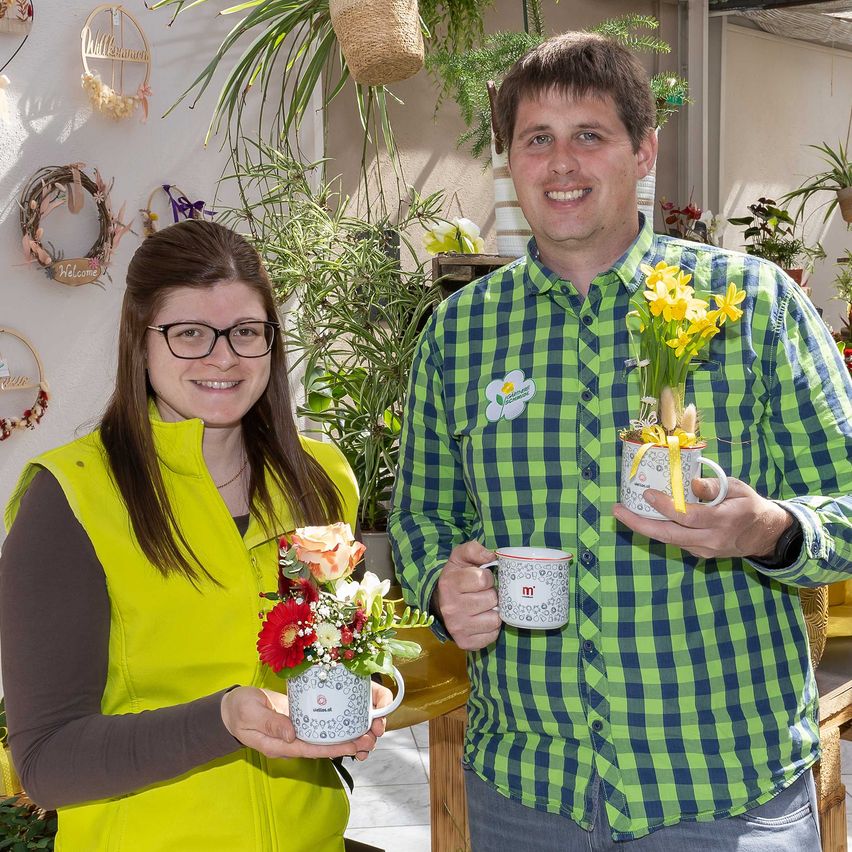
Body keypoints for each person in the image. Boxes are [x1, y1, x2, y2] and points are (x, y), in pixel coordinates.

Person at [389, 31, 852, 851]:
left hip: (723, 794)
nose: (561, 164)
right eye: (537, 139)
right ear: (510, 162)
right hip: (527, 793)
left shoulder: (753, 303)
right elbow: (424, 518)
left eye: (589, 136)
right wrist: (440, 588)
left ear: (644, 153)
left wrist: (769, 530)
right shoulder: (459, 334)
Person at [0, 219, 391, 851]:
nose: (223, 357)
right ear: (140, 342)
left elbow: (321, 658)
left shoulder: (320, 480)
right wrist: (223, 720)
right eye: (189, 334)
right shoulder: (69, 499)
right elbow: (46, 763)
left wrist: (349, 694)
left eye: (245, 332)